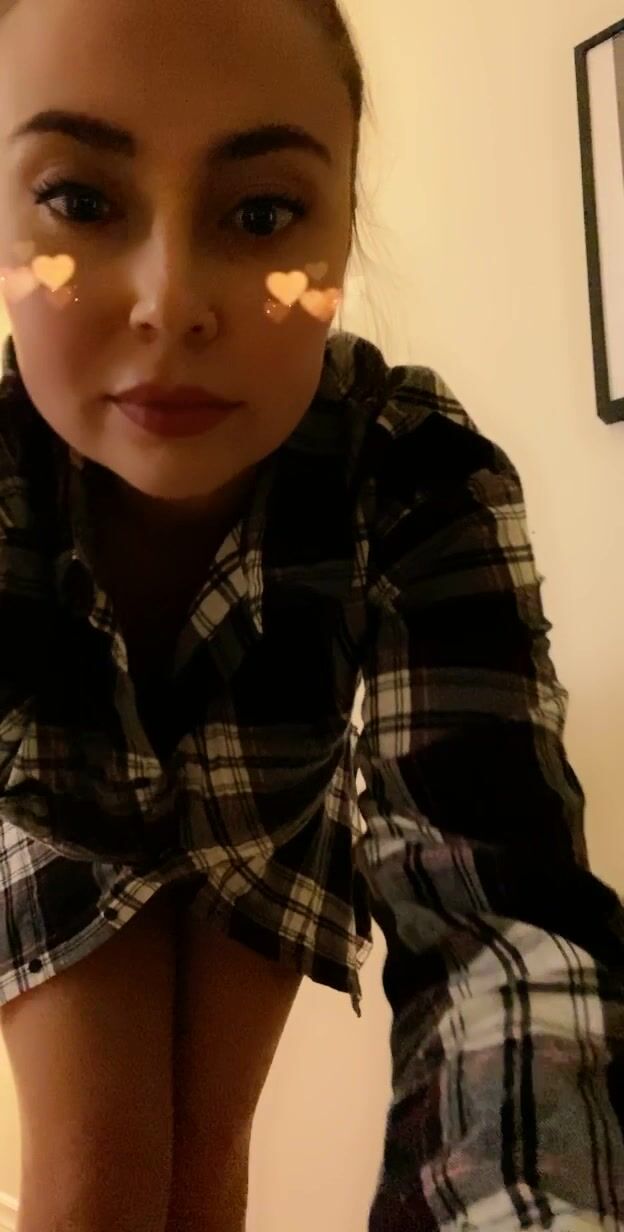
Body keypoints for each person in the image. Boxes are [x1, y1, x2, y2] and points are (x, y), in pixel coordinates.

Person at [0, 2, 621, 1232]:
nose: (171, 301)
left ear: (343, 219)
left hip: (267, 806)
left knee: (205, 1158)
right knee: (99, 1166)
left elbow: (500, 929)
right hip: (60, 798)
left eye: (261, 214)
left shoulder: (417, 471)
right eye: (80, 198)